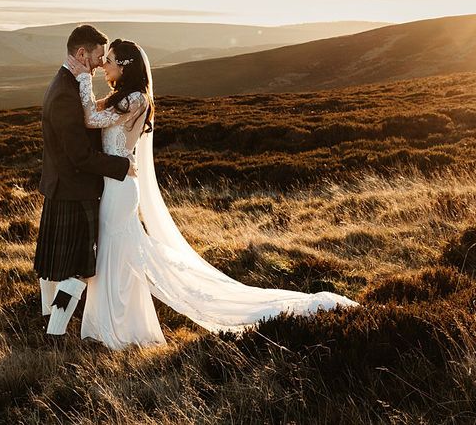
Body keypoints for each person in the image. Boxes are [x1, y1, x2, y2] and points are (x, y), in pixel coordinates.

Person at [66, 38, 358, 349]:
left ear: (125, 66)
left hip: (121, 189)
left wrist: (83, 77)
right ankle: (120, 327)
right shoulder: (122, 98)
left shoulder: (136, 98)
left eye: (109, 60)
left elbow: (91, 118)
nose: (104, 66)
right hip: (115, 185)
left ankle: (118, 330)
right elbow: (92, 113)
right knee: (115, 255)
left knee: (116, 253)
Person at [33, 25, 137, 337]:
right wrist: (121, 165)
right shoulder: (66, 94)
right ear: (82, 53)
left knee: (55, 264)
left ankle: (47, 319)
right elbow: (79, 156)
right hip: (74, 191)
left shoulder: (66, 83)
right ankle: (53, 334)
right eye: (97, 56)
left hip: (63, 188)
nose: (101, 63)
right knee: (75, 268)